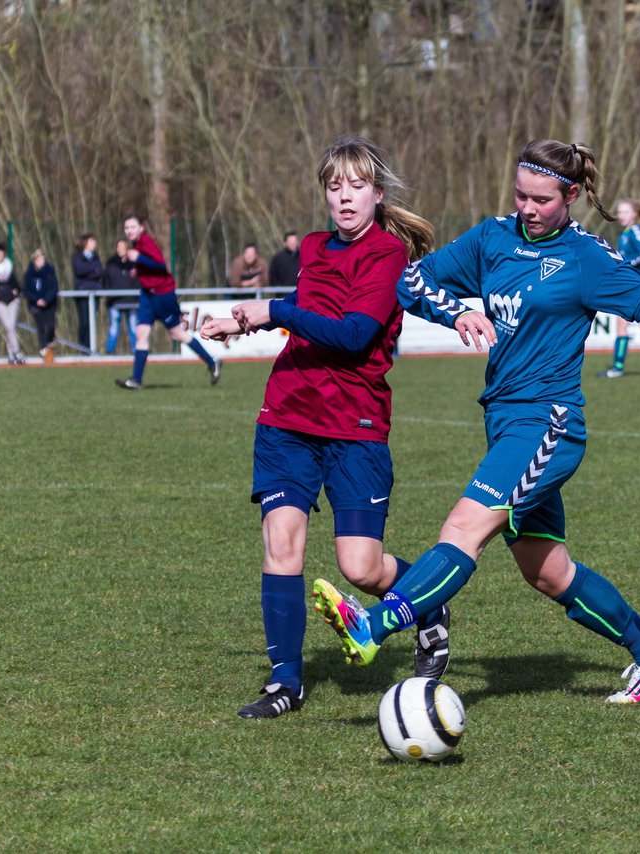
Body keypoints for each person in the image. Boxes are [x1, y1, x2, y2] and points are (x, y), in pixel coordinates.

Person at [302, 139, 640, 705]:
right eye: (520, 194)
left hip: (548, 426)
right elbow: (413, 282)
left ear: (571, 196)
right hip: (503, 420)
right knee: (548, 572)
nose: (527, 207)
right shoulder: (493, 236)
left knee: (465, 526)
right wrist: (460, 311)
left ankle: (374, 626)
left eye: (541, 199)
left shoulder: (586, 258)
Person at [201, 137, 452, 719]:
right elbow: (307, 304)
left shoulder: (388, 255)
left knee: (360, 566)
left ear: (377, 194)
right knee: (280, 542)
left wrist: (274, 312)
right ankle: (285, 683)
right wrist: (242, 321)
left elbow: (353, 333)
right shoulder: (314, 247)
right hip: (287, 416)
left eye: (356, 186)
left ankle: (427, 606)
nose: (344, 197)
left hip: (355, 426)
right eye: (334, 186)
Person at [114, 214, 222, 389]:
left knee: (177, 334)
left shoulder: (146, 242)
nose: (129, 231)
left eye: (132, 227)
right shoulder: (137, 244)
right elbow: (150, 267)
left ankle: (212, 362)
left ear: (141, 227)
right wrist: (139, 270)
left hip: (162, 296)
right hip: (147, 296)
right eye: (126, 228)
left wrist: (138, 259)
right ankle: (136, 380)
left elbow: (161, 266)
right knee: (141, 335)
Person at [599, 198, 640, 378]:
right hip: (630, 286)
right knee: (622, 325)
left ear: (634, 214)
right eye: (619, 212)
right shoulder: (624, 234)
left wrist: (626, 264)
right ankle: (617, 368)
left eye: (625, 212)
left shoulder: (635, 231)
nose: (621, 215)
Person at [104, 239, 140, 354]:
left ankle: (137, 351)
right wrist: (109, 296)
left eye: (123, 247)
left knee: (134, 327)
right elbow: (105, 282)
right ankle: (110, 352)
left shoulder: (135, 264)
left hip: (133, 301)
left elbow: (140, 281)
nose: (120, 249)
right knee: (114, 328)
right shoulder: (110, 264)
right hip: (115, 301)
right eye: (118, 247)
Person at [71, 234, 105, 354]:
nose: (94, 244)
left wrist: (91, 270)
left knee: (91, 322)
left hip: (95, 292)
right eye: (91, 241)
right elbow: (79, 270)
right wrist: (92, 269)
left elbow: (100, 271)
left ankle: (91, 348)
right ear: (85, 243)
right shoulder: (77, 256)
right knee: (84, 322)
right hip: (82, 293)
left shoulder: (96, 257)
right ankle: (84, 348)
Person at [23, 249, 59, 361]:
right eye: (39, 260)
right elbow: (26, 290)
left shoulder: (50, 271)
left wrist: (46, 300)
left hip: (49, 304)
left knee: (51, 326)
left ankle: (49, 343)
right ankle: (44, 349)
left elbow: (54, 287)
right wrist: (36, 300)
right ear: (34, 261)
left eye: (43, 259)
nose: (42, 261)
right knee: (41, 327)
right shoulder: (29, 274)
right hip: (35, 305)